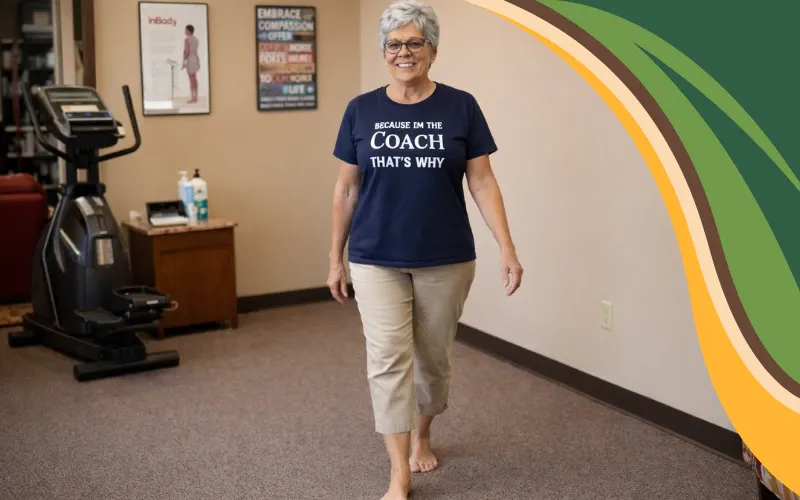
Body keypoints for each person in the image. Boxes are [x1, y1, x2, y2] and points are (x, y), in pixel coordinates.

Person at [327, 1, 522, 498]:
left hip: (446, 255)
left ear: (433, 49)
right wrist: (335, 256)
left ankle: (424, 432)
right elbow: (346, 190)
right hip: (375, 255)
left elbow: (481, 181)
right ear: (383, 51)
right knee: (388, 361)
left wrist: (506, 245)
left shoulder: (461, 106)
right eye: (394, 44)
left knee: (433, 362)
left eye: (415, 42)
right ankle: (399, 474)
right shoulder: (361, 109)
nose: (404, 52)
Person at [181, 24, 200, 103]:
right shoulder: (196, 39)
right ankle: (195, 97)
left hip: (190, 60)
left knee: (191, 80)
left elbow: (186, 52)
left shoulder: (187, 39)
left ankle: (193, 98)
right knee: (194, 79)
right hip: (195, 59)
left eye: (185, 30)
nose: (184, 31)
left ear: (188, 31)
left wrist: (184, 62)